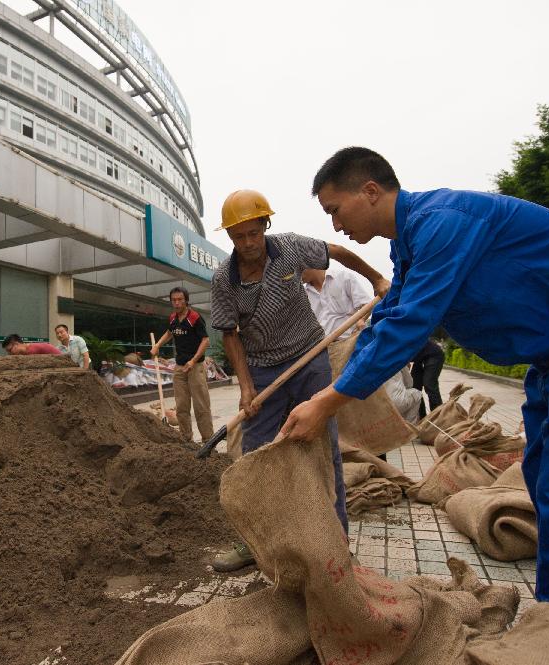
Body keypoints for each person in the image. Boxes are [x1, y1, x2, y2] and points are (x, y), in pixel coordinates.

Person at [280, 147, 549, 608]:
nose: (335, 225)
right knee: (546, 478)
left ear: (369, 191)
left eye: (334, 210)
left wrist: (326, 404)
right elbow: (389, 318)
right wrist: (328, 387)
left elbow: (411, 325)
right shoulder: (409, 245)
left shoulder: (444, 221)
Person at [209, 189, 389, 572]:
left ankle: (337, 540)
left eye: (253, 233)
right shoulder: (224, 279)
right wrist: (245, 386)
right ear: (230, 238)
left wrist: (376, 278)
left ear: (265, 226)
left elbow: (337, 252)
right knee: (257, 456)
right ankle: (253, 544)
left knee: (324, 448)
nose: (248, 243)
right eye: (239, 237)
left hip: (309, 361)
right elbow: (229, 334)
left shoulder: (290, 248)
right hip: (261, 368)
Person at [302, 267, 422, 424]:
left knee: (382, 396)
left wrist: (360, 319)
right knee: (345, 404)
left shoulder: (343, 277)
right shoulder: (304, 293)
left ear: (310, 263)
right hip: (329, 352)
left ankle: (412, 402)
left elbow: (367, 305)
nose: (297, 275)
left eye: (299, 269)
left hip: (353, 345)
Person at [150, 286, 215, 444]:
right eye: (174, 300)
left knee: (201, 406)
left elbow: (205, 340)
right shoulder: (172, 318)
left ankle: (208, 441)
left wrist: (193, 360)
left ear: (186, 300)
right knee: (181, 407)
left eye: (180, 300)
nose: (177, 303)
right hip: (179, 368)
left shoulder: (195, 318)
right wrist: (157, 345)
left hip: (195, 367)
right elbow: (169, 332)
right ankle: (186, 439)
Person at [410, 339, 444, 418]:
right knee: (415, 387)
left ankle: (438, 417)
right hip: (418, 359)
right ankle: (422, 418)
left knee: (429, 384)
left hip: (433, 354)